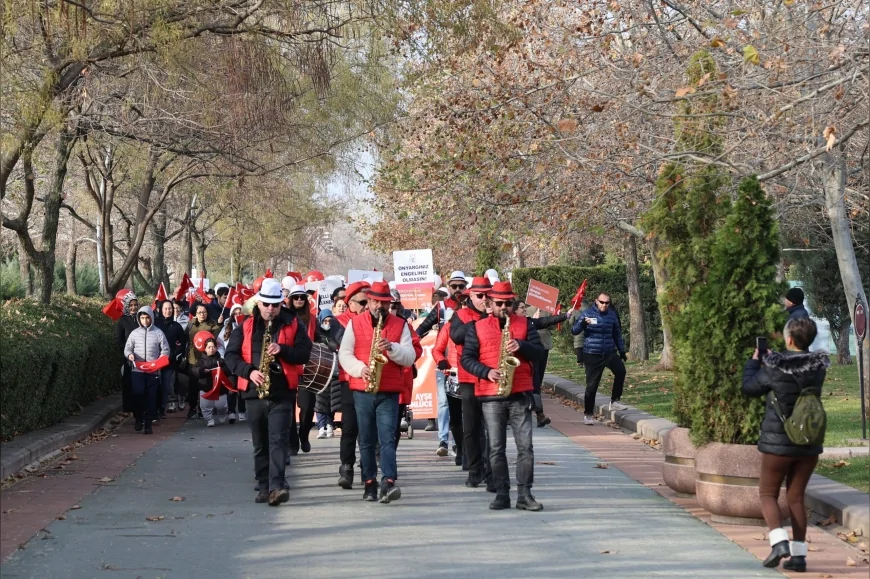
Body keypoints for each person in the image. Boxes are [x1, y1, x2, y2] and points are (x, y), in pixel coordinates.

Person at [742, 317, 829, 572]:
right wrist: (774, 357)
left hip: (778, 442)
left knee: (767, 494)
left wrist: (756, 361)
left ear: (789, 339)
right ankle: (799, 557)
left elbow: (749, 388)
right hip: (808, 441)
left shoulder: (773, 367)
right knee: (796, 497)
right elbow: (797, 365)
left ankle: (779, 542)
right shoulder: (819, 367)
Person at [224, 278, 312, 506]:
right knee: (260, 443)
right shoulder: (245, 326)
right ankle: (263, 485)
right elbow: (230, 356)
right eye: (267, 305)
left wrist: (282, 350)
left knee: (278, 441)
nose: (271, 309)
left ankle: (276, 486)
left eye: (275, 305)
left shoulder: (293, 324)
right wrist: (249, 371)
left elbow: (304, 353)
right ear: (259, 303)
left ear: (281, 304)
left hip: (283, 391)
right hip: (254, 392)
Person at [461, 281, 544, 511]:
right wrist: (486, 372)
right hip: (491, 394)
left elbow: (538, 352)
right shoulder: (476, 328)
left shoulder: (526, 324)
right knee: (496, 447)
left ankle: (525, 494)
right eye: (499, 303)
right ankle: (502, 493)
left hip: (519, 393)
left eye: (508, 303)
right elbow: (466, 359)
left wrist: (522, 346)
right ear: (490, 303)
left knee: (525, 447)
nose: (504, 308)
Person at [338, 280, 417, 503]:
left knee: (387, 439)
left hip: (389, 390)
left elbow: (410, 357)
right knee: (366, 440)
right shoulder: (355, 324)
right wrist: (360, 369)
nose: (379, 307)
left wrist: (392, 348)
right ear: (369, 301)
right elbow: (344, 354)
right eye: (375, 302)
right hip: (363, 388)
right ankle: (369, 482)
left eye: (384, 303)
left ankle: (389, 481)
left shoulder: (400, 325)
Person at [449, 276, 494, 489]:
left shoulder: (497, 314)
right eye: (479, 296)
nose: (484, 299)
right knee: (471, 427)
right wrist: (480, 323)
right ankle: (475, 469)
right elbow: (456, 336)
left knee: (491, 427)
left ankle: (490, 469)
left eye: (487, 295)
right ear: (471, 296)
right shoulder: (460, 315)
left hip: (490, 378)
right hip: (468, 379)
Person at [332, 281, 370, 489]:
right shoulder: (339, 322)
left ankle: (367, 467)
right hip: (348, 380)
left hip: (370, 379)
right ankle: (346, 466)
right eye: (363, 302)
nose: (367, 306)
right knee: (350, 427)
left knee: (368, 428)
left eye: (368, 301)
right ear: (350, 303)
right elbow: (335, 341)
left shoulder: (374, 320)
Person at [571, 292, 627, 425]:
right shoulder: (587, 314)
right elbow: (574, 331)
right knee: (592, 386)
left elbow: (617, 334)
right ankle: (588, 414)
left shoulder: (612, 315)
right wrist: (583, 324)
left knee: (621, 371)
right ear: (596, 301)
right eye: (602, 302)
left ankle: (614, 401)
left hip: (608, 352)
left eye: (607, 303)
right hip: (592, 353)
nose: (604, 305)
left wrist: (622, 350)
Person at [522, 302, 571, 427]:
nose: (523, 310)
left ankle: (540, 415)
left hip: (532, 360)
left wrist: (565, 316)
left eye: (524, 308)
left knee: (536, 384)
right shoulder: (509, 323)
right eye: (521, 308)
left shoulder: (530, 322)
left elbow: (547, 321)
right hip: (520, 363)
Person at [124, 305, 170, 434]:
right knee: (138, 394)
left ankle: (148, 423)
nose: (145, 321)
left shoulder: (158, 333)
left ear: (152, 318)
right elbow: (127, 348)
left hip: (153, 370)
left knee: (151, 397)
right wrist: (129, 355)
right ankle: (138, 418)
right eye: (142, 318)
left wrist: (159, 361)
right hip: (137, 370)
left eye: (147, 318)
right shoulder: (134, 333)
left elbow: (165, 349)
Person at [287, 284, 318, 454]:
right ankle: (292, 443)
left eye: (302, 297)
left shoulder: (313, 318)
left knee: (307, 406)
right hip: (290, 366)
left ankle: (304, 435)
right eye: (296, 297)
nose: (299, 300)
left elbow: (320, 338)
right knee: (288, 407)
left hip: (309, 368)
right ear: (290, 300)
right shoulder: (284, 318)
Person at [433, 313, 464, 466]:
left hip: (475, 374)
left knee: (473, 415)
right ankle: (449, 442)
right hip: (453, 374)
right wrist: (442, 361)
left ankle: (468, 450)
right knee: (451, 411)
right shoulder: (448, 326)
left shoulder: (480, 323)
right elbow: (437, 349)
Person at [185, 303, 222, 418]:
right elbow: (186, 336)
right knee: (192, 385)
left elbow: (217, 338)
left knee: (205, 384)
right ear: (195, 314)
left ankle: (204, 408)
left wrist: (219, 324)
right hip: (192, 358)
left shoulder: (212, 324)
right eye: (199, 312)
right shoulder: (191, 324)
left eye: (204, 312)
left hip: (206, 358)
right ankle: (192, 407)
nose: (202, 314)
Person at [155, 300, 188, 416]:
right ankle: (156, 407)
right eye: (165, 309)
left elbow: (183, 343)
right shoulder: (155, 325)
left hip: (170, 361)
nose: (168, 311)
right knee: (156, 383)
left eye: (170, 309)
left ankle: (164, 406)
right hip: (156, 360)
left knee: (167, 383)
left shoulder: (176, 326)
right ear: (160, 310)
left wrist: (175, 354)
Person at [314, 308, 340, 439]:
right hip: (321, 371)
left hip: (334, 371)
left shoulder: (336, 333)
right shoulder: (317, 334)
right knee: (320, 402)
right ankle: (321, 426)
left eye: (330, 320)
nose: (328, 323)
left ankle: (330, 425)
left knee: (332, 402)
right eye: (325, 320)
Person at [218, 301, 246, 423]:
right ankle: (231, 411)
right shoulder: (226, 329)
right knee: (232, 387)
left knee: (242, 387)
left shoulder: (247, 326)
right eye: (235, 313)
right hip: (230, 363)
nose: (238, 315)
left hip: (243, 362)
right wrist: (224, 357)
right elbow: (219, 344)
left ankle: (242, 411)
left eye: (240, 313)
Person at [193, 337, 230, 427]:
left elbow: (228, 371)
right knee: (205, 406)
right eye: (209, 347)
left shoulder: (221, 361)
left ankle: (223, 414)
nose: (211, 349)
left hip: (219, 388)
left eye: (213, 347)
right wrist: (202, 371)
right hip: (205, 387)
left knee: (222, 406)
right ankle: (209, 419)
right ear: (205, 348)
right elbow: (194, 370)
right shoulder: (201, 361)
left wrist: (222, 370)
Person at [115, 292, 140, 413]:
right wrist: (127, 352)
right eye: (131, 305)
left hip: (143, 357)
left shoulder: (142, 318)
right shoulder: (122, 321)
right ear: (126, 306)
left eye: (135, 305)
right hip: (129, 359)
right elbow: (119, 340)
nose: (134, 307)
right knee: (130, 383)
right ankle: (131, 408)